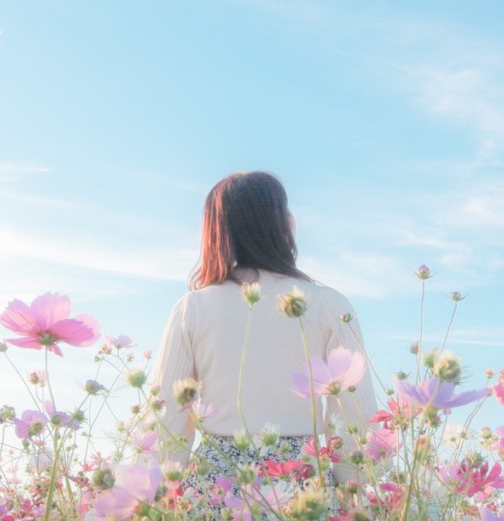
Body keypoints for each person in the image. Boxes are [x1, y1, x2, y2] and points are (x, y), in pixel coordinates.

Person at [150, 171, 378, 491]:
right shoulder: (329, 304)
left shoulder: (192, 308)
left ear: (216, 230)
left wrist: (156, 494)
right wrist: (356, 488)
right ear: (282, 223)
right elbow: (356, 415)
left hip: (217, 484)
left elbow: (167, 417)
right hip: (302, 482)